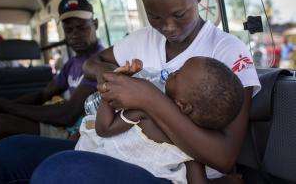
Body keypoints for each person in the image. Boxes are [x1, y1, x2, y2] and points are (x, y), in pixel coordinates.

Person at [0, 0, 260, 184]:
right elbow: (93, 63)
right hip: (110, 148)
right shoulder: (143, 39)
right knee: (4, 154)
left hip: (168, 170)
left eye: (179, 14)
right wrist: (117, 78)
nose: (168, 27)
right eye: (154, 17)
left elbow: (224, 157)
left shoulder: (226, 50)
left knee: (59, 173)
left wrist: (147, 96)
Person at [0, 0, 102, 183]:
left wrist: (0, 104)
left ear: (95, 24)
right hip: (66, 126)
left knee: (1, 125)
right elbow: (42, 94)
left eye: (81, 28)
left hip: (79, 133)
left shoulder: (101, 60)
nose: (74, 35)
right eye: (68, 29)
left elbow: (68, 113)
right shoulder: (72, 63)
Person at [76, 57, 244, 183]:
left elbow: (104, 129)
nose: (174, 71)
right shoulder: (192, 151)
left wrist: (109, 93)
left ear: (183, 105)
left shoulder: (145, 113)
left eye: (178, 74)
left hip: (95, 161)